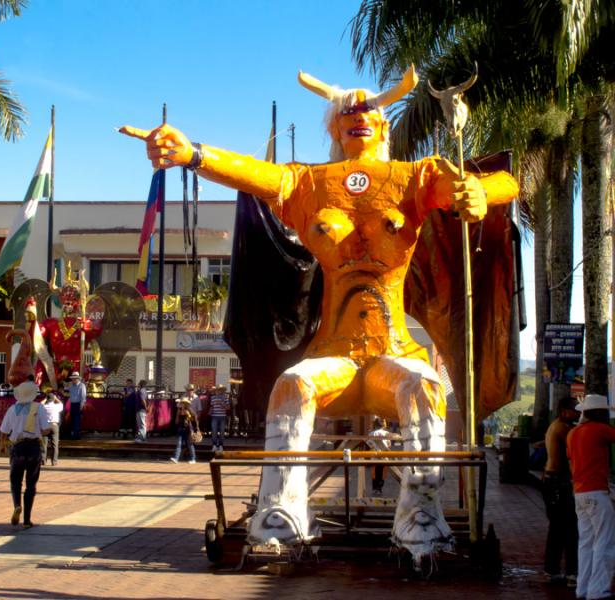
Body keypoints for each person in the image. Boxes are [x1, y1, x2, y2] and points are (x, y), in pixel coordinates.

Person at [121, 65, 518, 561]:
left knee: (424, 386)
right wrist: (192, 153)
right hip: (334, 357)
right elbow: (250, 172)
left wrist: (479, 194)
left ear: (384, 125)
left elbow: (504, 181)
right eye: (347, 111)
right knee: (292, 385)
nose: (359, 116)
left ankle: (420, 515)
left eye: (369, 110)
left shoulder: (415, 176)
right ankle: (282, 513)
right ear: (333, 126)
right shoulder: (309, 184)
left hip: (394, 356)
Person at [567, 393, 615, 600]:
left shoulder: (573, 433)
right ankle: (598, 590)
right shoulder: (600, 429)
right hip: (597, 493)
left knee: (585, 543)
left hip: (579, 493)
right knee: (605, 542)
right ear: (600, 413)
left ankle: (582, 588)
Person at [0, 379, 50, 529]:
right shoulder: (38, 408)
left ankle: (16, 505)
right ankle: (27, 520)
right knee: (31, 484)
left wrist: (2, 445)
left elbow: (4, 430)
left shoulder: (12, 409)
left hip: (18, 447)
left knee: (15, 481)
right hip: (33, 447)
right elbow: (45, 429)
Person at [542, 396, 578, 586]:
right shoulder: (564, 429)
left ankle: (553, 569)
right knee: (568, 529)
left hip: (552, 482)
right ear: (564, 410)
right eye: (574, 410)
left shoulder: (558, 426)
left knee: (558, 529)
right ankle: (566, 571)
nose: (577, 414)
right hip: (557, 483)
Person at [170, 394, 198, 464]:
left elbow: (194, 417)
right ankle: (176, 458)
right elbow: (176, 422)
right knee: (179, 443)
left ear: (186, 404)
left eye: (183, 403)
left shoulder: (189, 410)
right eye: (181, 403)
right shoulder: (179, 410)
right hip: (181, 428)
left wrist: (188, 414)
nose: (181, 404)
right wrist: (178, 414)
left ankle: (193, 458)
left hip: (188, 429)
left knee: (190, 444)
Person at [368, 417, 391, 495]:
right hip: (384, 456)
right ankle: (380, 488)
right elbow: (389, 445)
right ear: (383, 425)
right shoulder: (387, 433)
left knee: (375, 473)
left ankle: (374, 488)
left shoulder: (371, 434)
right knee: (382, 473)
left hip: (375, 456)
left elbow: (369, 444)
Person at [41, 389, 63, 466]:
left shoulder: (43, 407)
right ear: (53, 399)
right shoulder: (57, 406)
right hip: (54, 425)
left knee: (44, 444)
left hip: (45, 425)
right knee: (55, 444)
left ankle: (43, 460)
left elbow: (40, 404)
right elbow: (61, 403)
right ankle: (54, 461)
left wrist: (45, 399)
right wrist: (56, 398)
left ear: (47, 399)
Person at [209, 384, 230, 452]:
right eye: (216, 390)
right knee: (214, 432)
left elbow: (228, 407)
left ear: (221, 391)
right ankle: (214, 445)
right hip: (214, 416)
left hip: (222, 417)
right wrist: (210, 412)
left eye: (219, 390)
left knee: (222, 432)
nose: (217, 391)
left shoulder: (225, 397)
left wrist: (221, 403)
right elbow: (212, 407)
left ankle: (221, 445)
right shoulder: (213, 397)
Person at [67, 372, 86, 440]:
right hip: (72, 405)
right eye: (72, 379)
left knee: (77, 421)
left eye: (74, 379)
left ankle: (76, 436)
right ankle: (73, 435)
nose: (73, 380)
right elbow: (69, 393)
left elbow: (83, 397)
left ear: (77, 379)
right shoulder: (71, 386)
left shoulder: (82, 385)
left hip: (78, 404)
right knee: (72, 421)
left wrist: (81, 406)